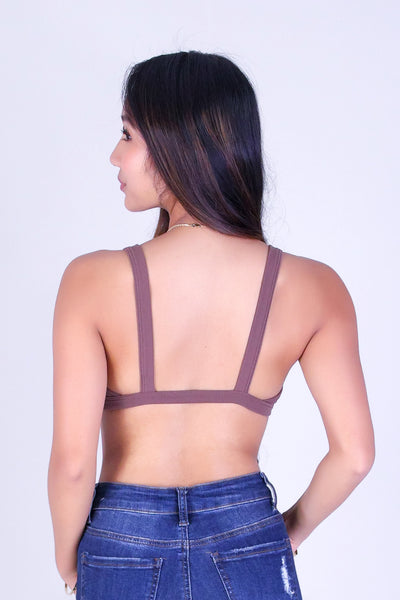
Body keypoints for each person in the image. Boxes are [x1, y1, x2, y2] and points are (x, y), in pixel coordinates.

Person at [47, 50, 375, 599]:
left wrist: (68, 560)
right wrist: (285, 534)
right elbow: (356, 455)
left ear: (179, 143)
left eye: (127, 135)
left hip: (121, 539)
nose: (114, 155)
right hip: (247, 529)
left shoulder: (91, 280)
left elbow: (74, 464)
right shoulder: (315, 287)